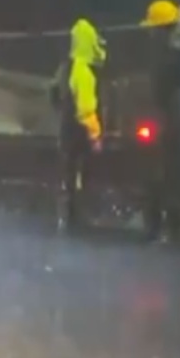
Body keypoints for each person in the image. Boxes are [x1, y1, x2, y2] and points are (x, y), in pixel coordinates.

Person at [140, 0, 180, 242]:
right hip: (175, 122)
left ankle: (163, 225)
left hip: (169, 121)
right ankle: (171, 224)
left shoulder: (167, 55)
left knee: (165, 173)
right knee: (172, 173)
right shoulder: (178, 53)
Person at [51, 18, 106, 233]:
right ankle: (77, 217)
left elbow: (53, 92)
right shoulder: (83, 71)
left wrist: (62, 111)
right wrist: (95, 135)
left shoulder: (65, 67)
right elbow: (86, 108)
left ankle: (66, 215)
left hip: (66, 127)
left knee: (67, 171)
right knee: (82, 172)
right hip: (80, 130)